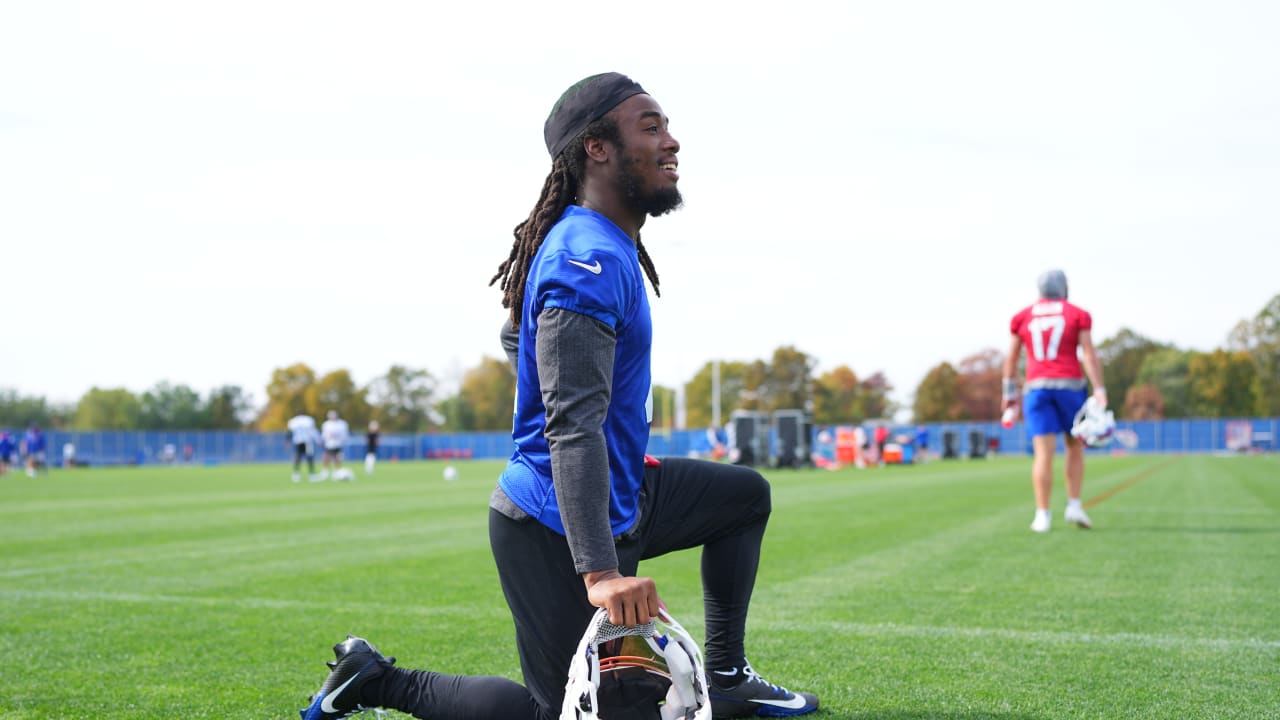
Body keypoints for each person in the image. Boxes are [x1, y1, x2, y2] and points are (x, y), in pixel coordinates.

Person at [297, 72, 819, 720]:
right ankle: (375, 679)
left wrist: (616, 453)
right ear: (596, 147)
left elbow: (516, 334)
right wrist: (600, 574)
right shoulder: (585, 257)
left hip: (611, 495)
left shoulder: (599, 244)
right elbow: (569, 427)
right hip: (549, 526)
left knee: (742, 498)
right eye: (650, 126)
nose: (672, 141)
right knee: (569, 714)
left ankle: (729, 676)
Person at [1003, 269, 1107, 533]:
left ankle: (1042, 515)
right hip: (1070, 386)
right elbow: (1088, 352)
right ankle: (1073, 504)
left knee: (1043, 453)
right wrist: (1099, 388)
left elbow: (1012, 359)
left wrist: (1008, 395)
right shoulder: (1076, 314)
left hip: (1036, 387)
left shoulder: (1022, 316)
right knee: (1074, 447)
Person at [287, 412, 319, 483]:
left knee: (299, 458)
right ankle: (311, 475)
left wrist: (287, 440)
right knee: (307, 458)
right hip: (306, 441)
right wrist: (318, 439)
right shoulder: (308, 420)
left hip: (299, 441)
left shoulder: (293, 421)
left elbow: (289, 432)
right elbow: (313, 431)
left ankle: (297, 474)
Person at [320, 410, 352, 480]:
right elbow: (324, 435)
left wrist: (340, 439)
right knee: (327, 457)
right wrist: (323, 441)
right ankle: (325, 471)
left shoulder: (342, 424)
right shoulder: (326, 424)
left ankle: (336, 472)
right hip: (329, 444)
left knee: (337, 458)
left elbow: (345, 434)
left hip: (338, 444)